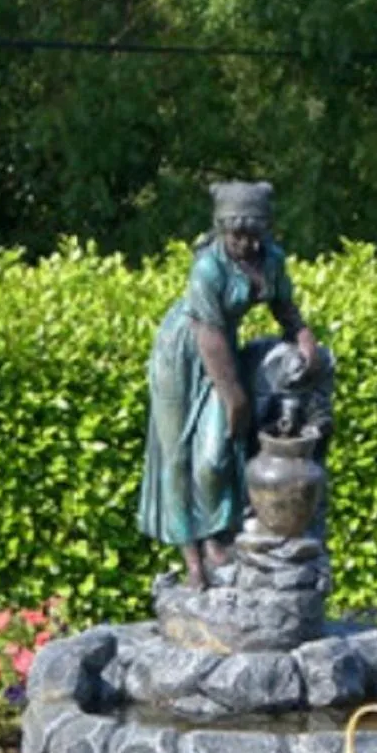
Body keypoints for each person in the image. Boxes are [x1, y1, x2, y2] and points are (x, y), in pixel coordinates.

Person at [138, 181, 320, 589]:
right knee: (177, 455)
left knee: (215, 455)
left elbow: (286, 311)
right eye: (235, 233)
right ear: (221, 229)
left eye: (252, 233)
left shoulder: (270, 259)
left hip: (220, 349)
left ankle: (218, 536)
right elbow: (209, 336)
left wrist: (307, 342)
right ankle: (194, 556)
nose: (243, 242)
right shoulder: (208, 267)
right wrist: (234, 395)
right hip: (182, 353)